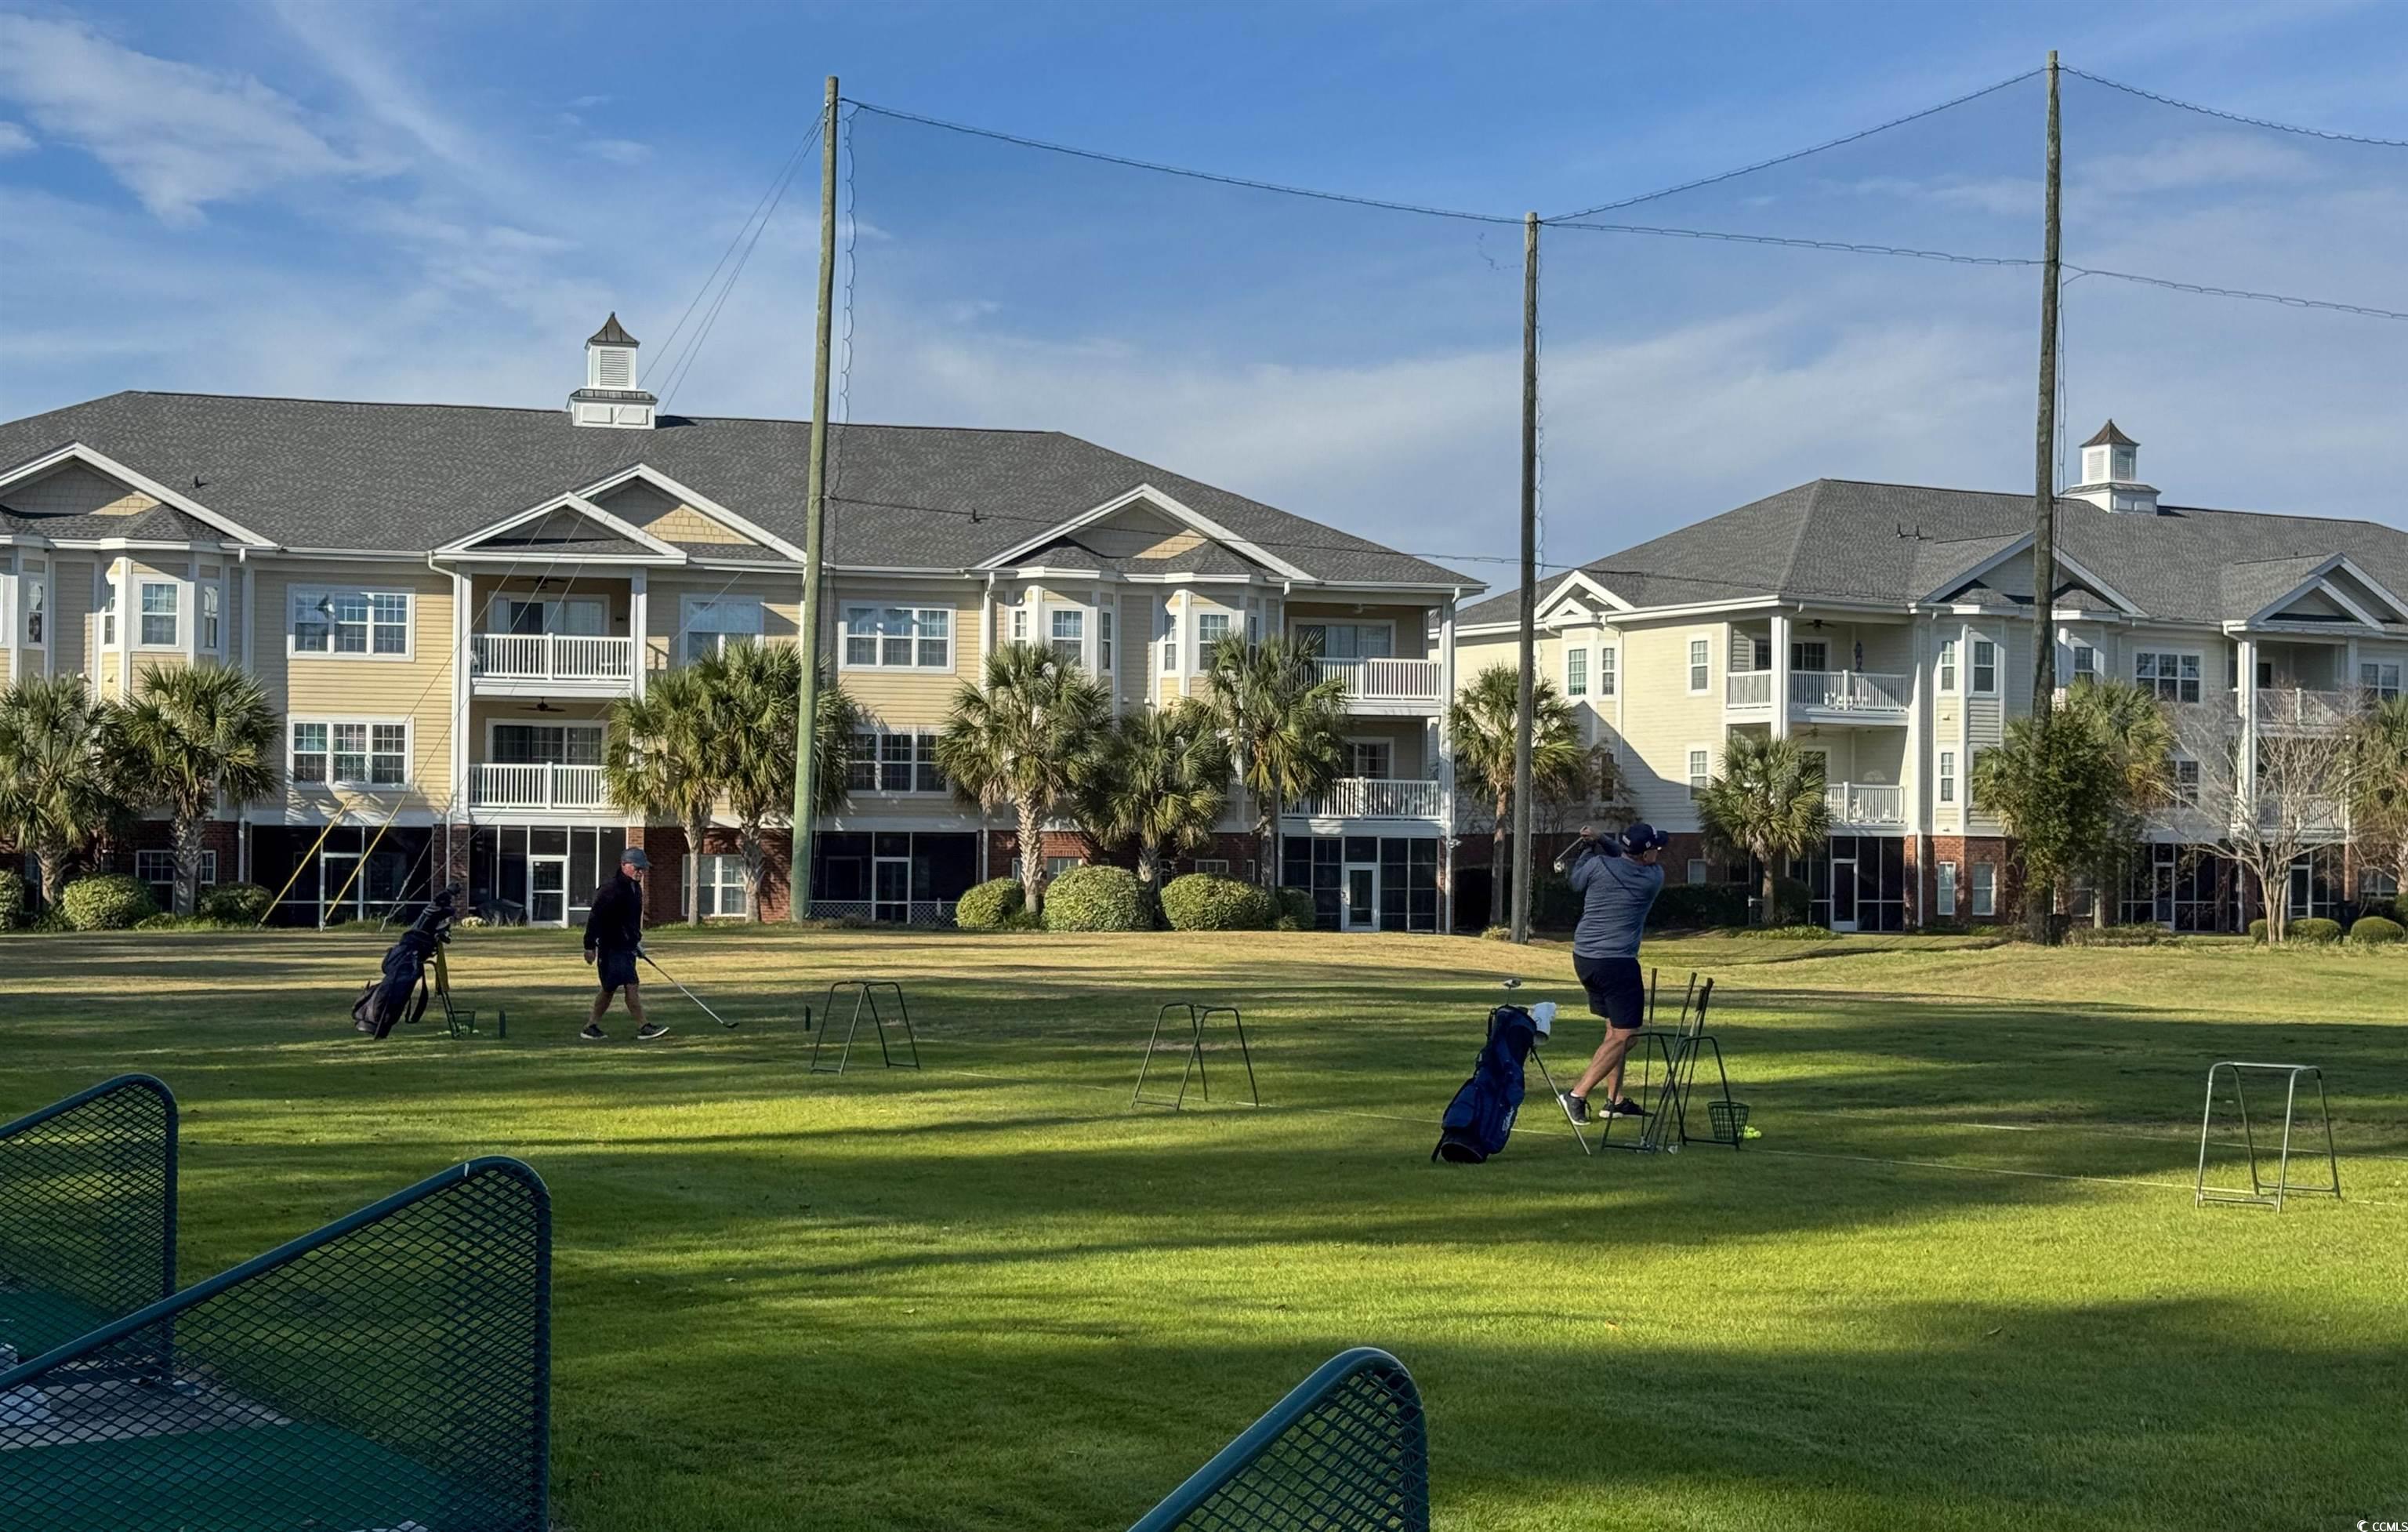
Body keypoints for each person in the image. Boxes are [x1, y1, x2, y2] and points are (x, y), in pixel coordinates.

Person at [1558, 822, 1667, 1124]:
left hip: (1585, 959)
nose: (1659, 852)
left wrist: (1589, 846)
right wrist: (1600, 840)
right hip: (1617, 963)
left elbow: (1576, 881)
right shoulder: (1652, 878)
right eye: (1655, 848)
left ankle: (1614, 1101)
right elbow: (1624, 855)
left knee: (1614, 1032)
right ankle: (1576, 1095)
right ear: (1645, 855)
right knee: (1626, 1037)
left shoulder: (1598, 866)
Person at [583, 847, 667, 1041]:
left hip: (626, 947)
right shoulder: (609, 890)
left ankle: (591, 1026)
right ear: (624, 866)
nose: (641, 872)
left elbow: (630, 921)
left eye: (643, 869)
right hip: (610, 947)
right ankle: (644, 1026)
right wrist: (589, 946)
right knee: (625, 986)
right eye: (637, 868)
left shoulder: (635, 888)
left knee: (614, 988)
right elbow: (594, 918)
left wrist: (636, 942)